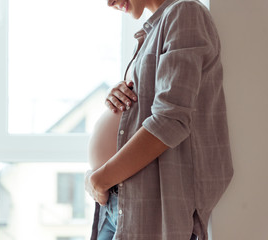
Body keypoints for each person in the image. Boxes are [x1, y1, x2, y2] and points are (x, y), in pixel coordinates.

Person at [84, 0, 234, 239]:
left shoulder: (185, 13)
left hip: (149, 211)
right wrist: (119, 96)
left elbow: (170, 120)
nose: (109, 2)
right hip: (119, 204)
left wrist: (100, 179)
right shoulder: (154, 28)